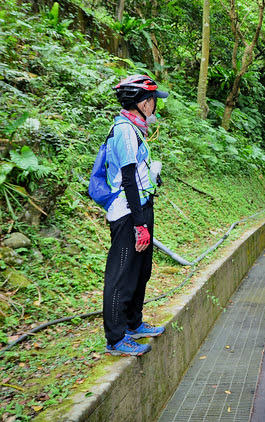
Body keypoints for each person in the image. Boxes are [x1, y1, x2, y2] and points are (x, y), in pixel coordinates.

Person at [103, 74, 169, 356]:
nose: (156, 105)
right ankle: (116, 338)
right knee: (122, 274)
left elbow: (138, 174)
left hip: (140, 207)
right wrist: (140, 224)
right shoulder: (125, 131)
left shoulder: (135, 128)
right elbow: (128, 178)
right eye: (153, 100)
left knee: (141, 271)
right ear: (142, 103)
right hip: (127, 213)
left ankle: (134, 323)